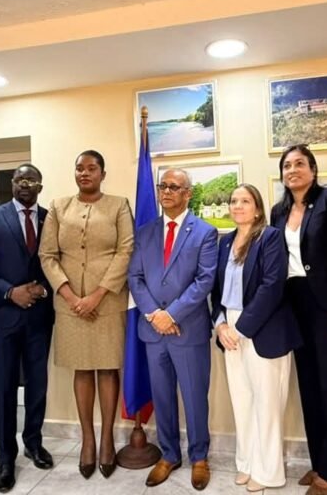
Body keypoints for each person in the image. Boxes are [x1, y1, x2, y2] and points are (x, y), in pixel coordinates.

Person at [38, 150, 133, 479]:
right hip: (70, 305)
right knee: (81, 369)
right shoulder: (58, 206)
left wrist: (97, 295)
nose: (85, 173)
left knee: (107, 369)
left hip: (107, 301)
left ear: (103, 174)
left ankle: (107, 440)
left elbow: (126, 250)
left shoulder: (119, 205)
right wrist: (70, 296)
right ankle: (88, 441)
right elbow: (47, 255)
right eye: (79, 168)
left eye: (92, 168)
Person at [270, 144, 327, 495]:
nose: (292, 170)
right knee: (308, 387)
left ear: (313, 169)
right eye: (287, 165)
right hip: (294, 305)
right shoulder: (278, 211)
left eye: (299, 164)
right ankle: (319, 461)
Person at [127, 168, 217, 491]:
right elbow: (135, 277)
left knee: (194, 398)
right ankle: (169, 454)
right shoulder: (145, 232)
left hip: (187, 330)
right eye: (162, 186)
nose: (166, 191)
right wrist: (154, 314)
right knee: (163, 397)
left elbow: (204, 280)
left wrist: (172, 314)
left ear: (187, 193)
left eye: (174, 187)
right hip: (154, 331)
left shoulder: (205, 232)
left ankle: (199, 457)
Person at [210, 184, 301, 492]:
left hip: (263, 328)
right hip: (230, 328)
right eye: (233, 201)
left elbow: (272, 286)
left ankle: (269, 472)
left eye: (245, 201)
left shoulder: (270, 237)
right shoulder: (225, 242)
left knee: (267, 404)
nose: (238, 205)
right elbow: (216, 290)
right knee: (242, 401)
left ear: (258, 209)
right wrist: (221, 324)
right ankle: (246, 463)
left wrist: (240, 328)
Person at [0, 164, 55, 492]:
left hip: (39, 317)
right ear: (12, 183)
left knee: (38, 384)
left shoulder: (51, 218)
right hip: (3, 317)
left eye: (31, 179)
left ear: (40, 186)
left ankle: (33, 443)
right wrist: (10, 291)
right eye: (19, 179)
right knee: (4, 387)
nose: (25, 184)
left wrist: (42, 289)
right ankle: (6, 457)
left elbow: (56, 262)